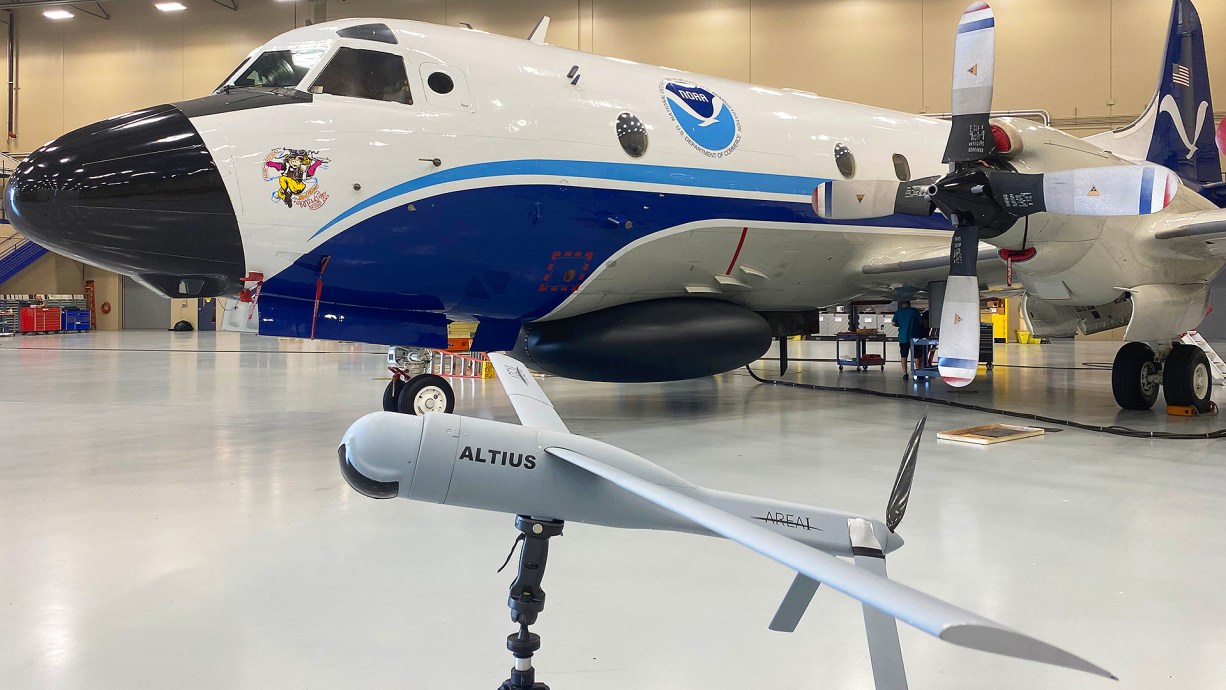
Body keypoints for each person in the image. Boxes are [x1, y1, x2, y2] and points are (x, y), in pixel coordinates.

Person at [892, 300, 922, 380]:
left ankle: (905, 373)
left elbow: (893, 323)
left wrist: (901, 325)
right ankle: (917, 372)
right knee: (916, 355)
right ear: (910, 304)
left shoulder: (898, 312)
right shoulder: (914, 311)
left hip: (903, 337)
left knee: (904, 355)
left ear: (902, 305)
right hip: (914, 337)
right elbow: (921, 322)